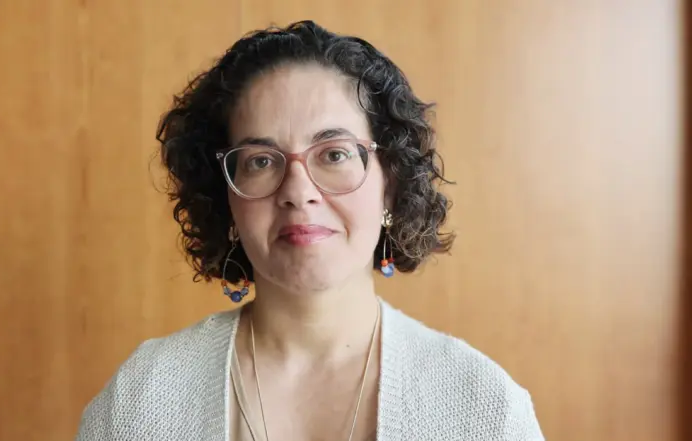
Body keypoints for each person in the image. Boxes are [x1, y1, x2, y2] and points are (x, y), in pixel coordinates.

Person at [75, 20, 544, 441]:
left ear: (391, 184)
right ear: (225, 199)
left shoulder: (483, 408)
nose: (298, 192)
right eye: (261, 161)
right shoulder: (139, 401)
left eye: (334, 154)